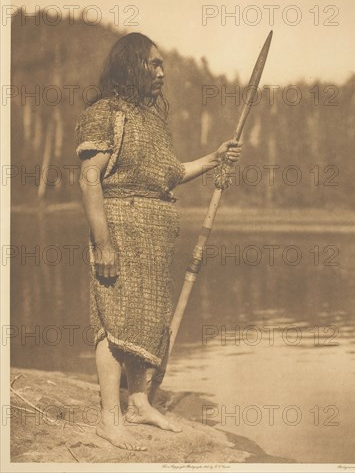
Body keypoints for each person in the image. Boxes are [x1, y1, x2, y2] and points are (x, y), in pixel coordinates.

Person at [75, 32, 242, 450]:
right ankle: (109, 419)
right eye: (155, 64)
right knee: (113, 323)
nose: (162, 73)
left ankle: (138, 404)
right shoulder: (106, 112)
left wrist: (214, 158)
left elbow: (171, 174)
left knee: (145, 323)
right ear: (132, 65)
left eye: (163, 65)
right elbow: (89, 177)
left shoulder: (151, 120)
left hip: (154, 236)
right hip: (118, 228)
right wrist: (104, 243)